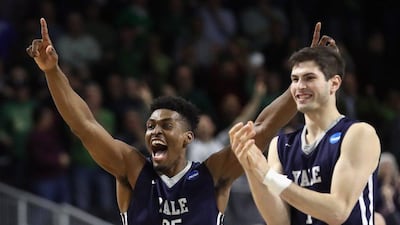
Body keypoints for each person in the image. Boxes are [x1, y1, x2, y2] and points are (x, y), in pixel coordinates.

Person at [26, 18, 326, 225]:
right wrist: (52, 72)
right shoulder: (132, 168)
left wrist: (303, 81)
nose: (155, 131)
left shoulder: (213, 174)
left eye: (166, 126)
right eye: (150, 126)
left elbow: (262, 128)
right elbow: (85, 125)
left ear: (187, 138)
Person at [228, 44, 381, 224]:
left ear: (334, 83)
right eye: (294, 79)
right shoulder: (281, 145)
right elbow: (279, 221)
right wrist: (252, 168)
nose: (300, 86)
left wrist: (269, 176)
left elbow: (338, 211)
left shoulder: (359, 134)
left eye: (309, 78)